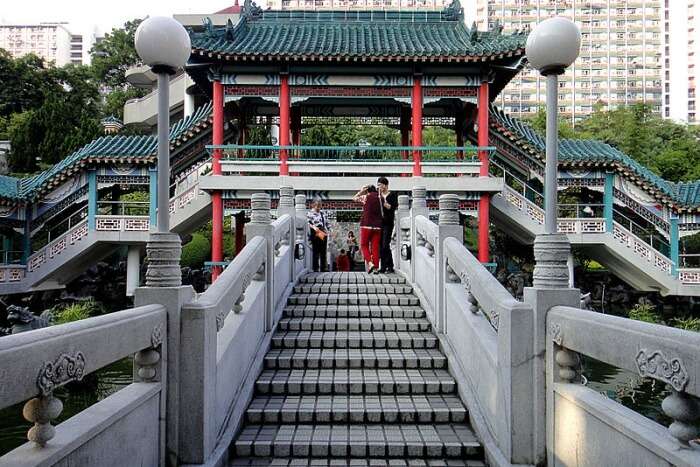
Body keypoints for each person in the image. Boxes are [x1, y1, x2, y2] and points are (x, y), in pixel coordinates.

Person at [352, 184, 383, 274]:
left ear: (367, 190)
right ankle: (376, 268)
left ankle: (370, 263)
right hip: (378, 226)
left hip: (366, 225)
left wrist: (361, 191)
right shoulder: (380, 198)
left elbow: (354, 198)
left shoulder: (365, 197)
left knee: (364, 245)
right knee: (375, 247)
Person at [377, 176, 398, 273]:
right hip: (379, 224)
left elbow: (392, 207)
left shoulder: (392, 195)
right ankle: (386, 266)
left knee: (385, 244)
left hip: (388, 223)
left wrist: (385, 203)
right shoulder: (378, 196)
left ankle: (387, 266)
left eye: (380, 185)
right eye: (378, 185)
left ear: (385, 185)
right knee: (381, 245)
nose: (379, 187)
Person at [307, 198, 330, 272]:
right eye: (317, 204)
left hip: (323, 233)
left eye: (320, 204)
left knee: (323, 252)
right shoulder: (309, 213)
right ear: (313, 205)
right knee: (316, 252)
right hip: (315, 233)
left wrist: (328, 231)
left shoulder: (323, 213)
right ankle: (315, 268)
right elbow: (308, 223)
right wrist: (315, 228)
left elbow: (327, 224)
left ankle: (323, 268)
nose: (318, 206)